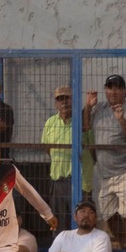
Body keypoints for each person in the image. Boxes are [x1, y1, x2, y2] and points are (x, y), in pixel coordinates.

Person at [84, 75, 126, 233]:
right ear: (105, 90)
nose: (113, 91)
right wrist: (88, 107)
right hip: (106, 174)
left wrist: (121, 121)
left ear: (125, 91)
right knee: (108, 213)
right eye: (110, 88)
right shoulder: (99, 109)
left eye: (117, 88)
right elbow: (85, 128)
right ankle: (123, 242)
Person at [38, 86, 78, 221]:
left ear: (73, 100)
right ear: (56, 104)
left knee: (78, 221)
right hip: (57, 181)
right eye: (60, 99)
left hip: (77, 181)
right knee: (59, 222)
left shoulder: (80, 122)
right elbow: (47, 148)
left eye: (67, 98)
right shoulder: (50, 122)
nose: (64, 102)